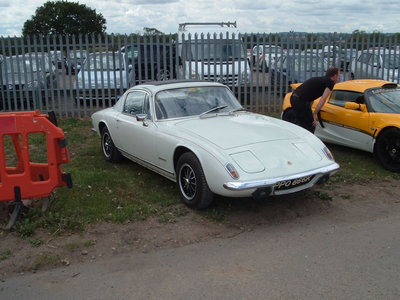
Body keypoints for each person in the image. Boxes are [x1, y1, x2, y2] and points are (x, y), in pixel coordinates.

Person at [290, 67, 340, 133]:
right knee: (310, 126)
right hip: (301, 101)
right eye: (339, 75)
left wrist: (311, 113)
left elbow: (311, 97)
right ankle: (308, 142)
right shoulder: (330, 82)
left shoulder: (321, 80)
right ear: (335, 76)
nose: (339, 77)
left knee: (301, 125)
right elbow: (323, 100)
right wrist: (314, 114)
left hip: (294, 98)